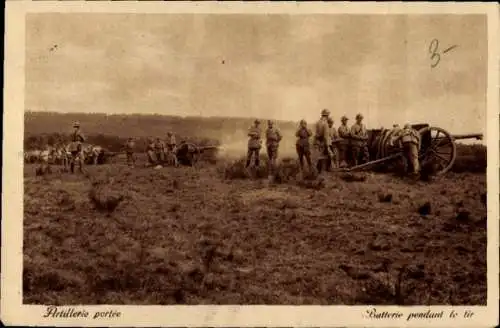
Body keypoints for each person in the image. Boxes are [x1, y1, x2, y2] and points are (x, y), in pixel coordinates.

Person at [314, 109, 332, 174]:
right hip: (323, 142)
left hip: (318, 141)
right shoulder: (325, 124)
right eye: (328, 115)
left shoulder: (318, 122)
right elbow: (326, 136)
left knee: (319, 156)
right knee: (327, 156)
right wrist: (328, 146)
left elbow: (316, 133)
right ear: (327, 116)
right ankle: (324, 171)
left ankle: (318, 171)